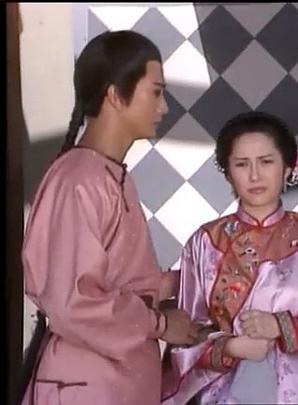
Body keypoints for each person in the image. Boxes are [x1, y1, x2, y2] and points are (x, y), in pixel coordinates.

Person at [20, 30, 199, 405]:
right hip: (85, 386)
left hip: (119, 383)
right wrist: (162, 325)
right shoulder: (79, 180)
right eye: (156, 92)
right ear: (115, 95)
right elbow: (73, 301)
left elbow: (127, 281)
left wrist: (203, 276)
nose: (164, 108)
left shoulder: (109, 175)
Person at [161, 111, 298, 404]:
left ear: (289, 167)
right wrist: (230, 348)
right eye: (241, 164)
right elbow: (186, 331)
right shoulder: (206, 242)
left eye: (266, 162)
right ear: (228, 173)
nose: (255, 175)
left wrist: (283, 326)